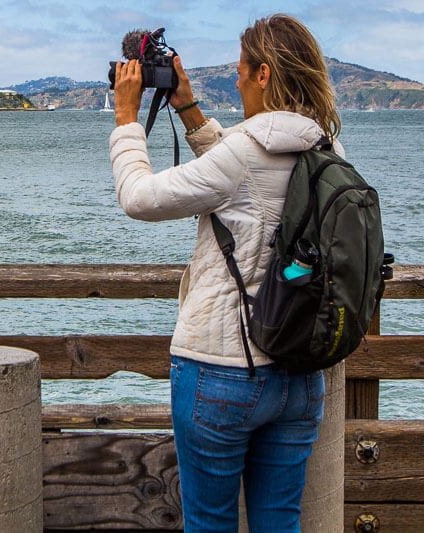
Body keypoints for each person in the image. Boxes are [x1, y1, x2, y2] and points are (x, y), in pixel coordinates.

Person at [110, 14, 339, 532]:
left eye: (240, 70)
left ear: (263, 75)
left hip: (222, 370)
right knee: (279, 522)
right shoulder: (327, 149)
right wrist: (189, 111)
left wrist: (127, 120)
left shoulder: (243, 153)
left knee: (210, 524)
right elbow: (245, 185)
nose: (233, 80)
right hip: (301, 372)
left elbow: (139, 198)